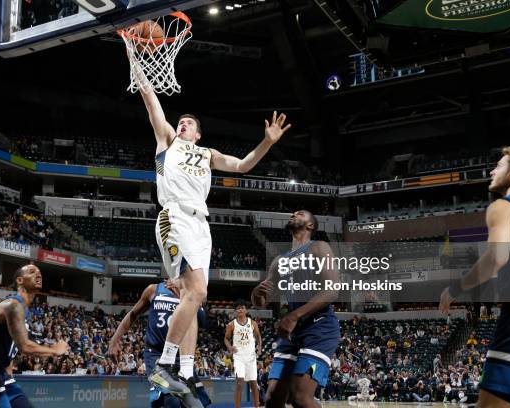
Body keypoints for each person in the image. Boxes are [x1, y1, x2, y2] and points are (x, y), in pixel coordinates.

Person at [136, 68, 291, 404]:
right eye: (181, 122)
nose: (182, 125)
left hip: (201, 225)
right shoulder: (167, 141)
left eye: (188, 123)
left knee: (195, 298)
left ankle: (188, 372)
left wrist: (268, 141)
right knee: (198, 289)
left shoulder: (208, 155)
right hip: (173, 215)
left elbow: (244, 165)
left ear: (199, 133)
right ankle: (164, 366)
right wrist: (137, 63)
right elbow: (151, 103)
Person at [439, 146, 510, 407]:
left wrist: (456, 289)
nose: (492, 171)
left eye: (499, 165)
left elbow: (496, 258)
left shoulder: (503, 207)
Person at [251, 210, 340, 408]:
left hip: (319, 327)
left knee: (301, 397)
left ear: (310, 225)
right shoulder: (279, 261)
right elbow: (261, 302)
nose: (293, 214)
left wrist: (294, 315)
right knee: (272, 399)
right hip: (292, 330)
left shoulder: (319, 247)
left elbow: (332, 290)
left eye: (300, 214)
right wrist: (256, 294)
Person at [0, 264, 69, 407]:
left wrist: (8, 369)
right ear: (20, 280)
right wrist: (54, 350)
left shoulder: (24, 309)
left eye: (40, 272)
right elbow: (24, 346)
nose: (38, 274)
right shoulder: (12, 305)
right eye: (32, 272)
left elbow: (9, 344)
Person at [108, 280, 211, 408]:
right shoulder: (153, 290)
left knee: (194, 402)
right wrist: (114, 339)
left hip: (181, 356)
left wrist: (182, 295)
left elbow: (202, 321)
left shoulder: (192, 290)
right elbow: (133, 314)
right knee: (170, 399)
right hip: (155, 354)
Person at [224, 300, 262, 408]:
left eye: (242, 307)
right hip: (239, 356)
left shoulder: (252, 323)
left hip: (251, 356)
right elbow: (226, 339)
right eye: (238, 308)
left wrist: (259, 348)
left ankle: (257, 406)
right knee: (240, 382)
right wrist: (230, 347)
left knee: (253, 383)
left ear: (246, 310)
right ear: (236, 311)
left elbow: (258, 336)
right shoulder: (231, 324)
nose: (240, 310)